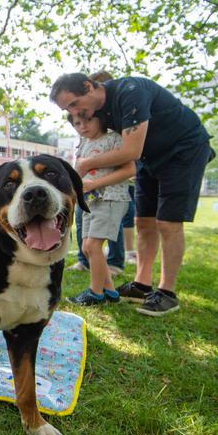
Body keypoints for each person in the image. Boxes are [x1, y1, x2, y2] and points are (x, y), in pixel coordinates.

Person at [51, 72, 214, 316]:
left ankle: (167, 293)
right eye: (68, 109)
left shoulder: (130, 91)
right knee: (143, 221)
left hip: (183, 150)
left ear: (89, 86)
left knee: (168, 223)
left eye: (74, 104)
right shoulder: (98, 111)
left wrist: (86, 164)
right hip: (150, 158)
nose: (75, 113)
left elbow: (131, 150)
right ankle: (142, 285)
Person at [65, 114, 135, 306]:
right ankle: (110, 292)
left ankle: (95, 293)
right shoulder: (84, 143)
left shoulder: (114, 138)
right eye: (77, 123)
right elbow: (78, 173)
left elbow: (130, 170)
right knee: (87, 247)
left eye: (87, 120)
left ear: (100, 118)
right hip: (90, 201)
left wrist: (95, 183)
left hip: (111, 199)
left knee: (93, 246)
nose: (83, 126)